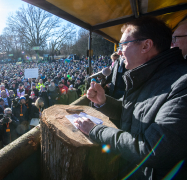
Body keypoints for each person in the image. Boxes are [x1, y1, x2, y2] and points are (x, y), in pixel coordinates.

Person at [74, 16, 187, 179]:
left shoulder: (182, 84)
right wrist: (103, 102)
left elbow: (151, 148)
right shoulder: (150, 75)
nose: (118, 51)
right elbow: (137, 114)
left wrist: (95, 130)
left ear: (146, 45)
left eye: (123, 44)